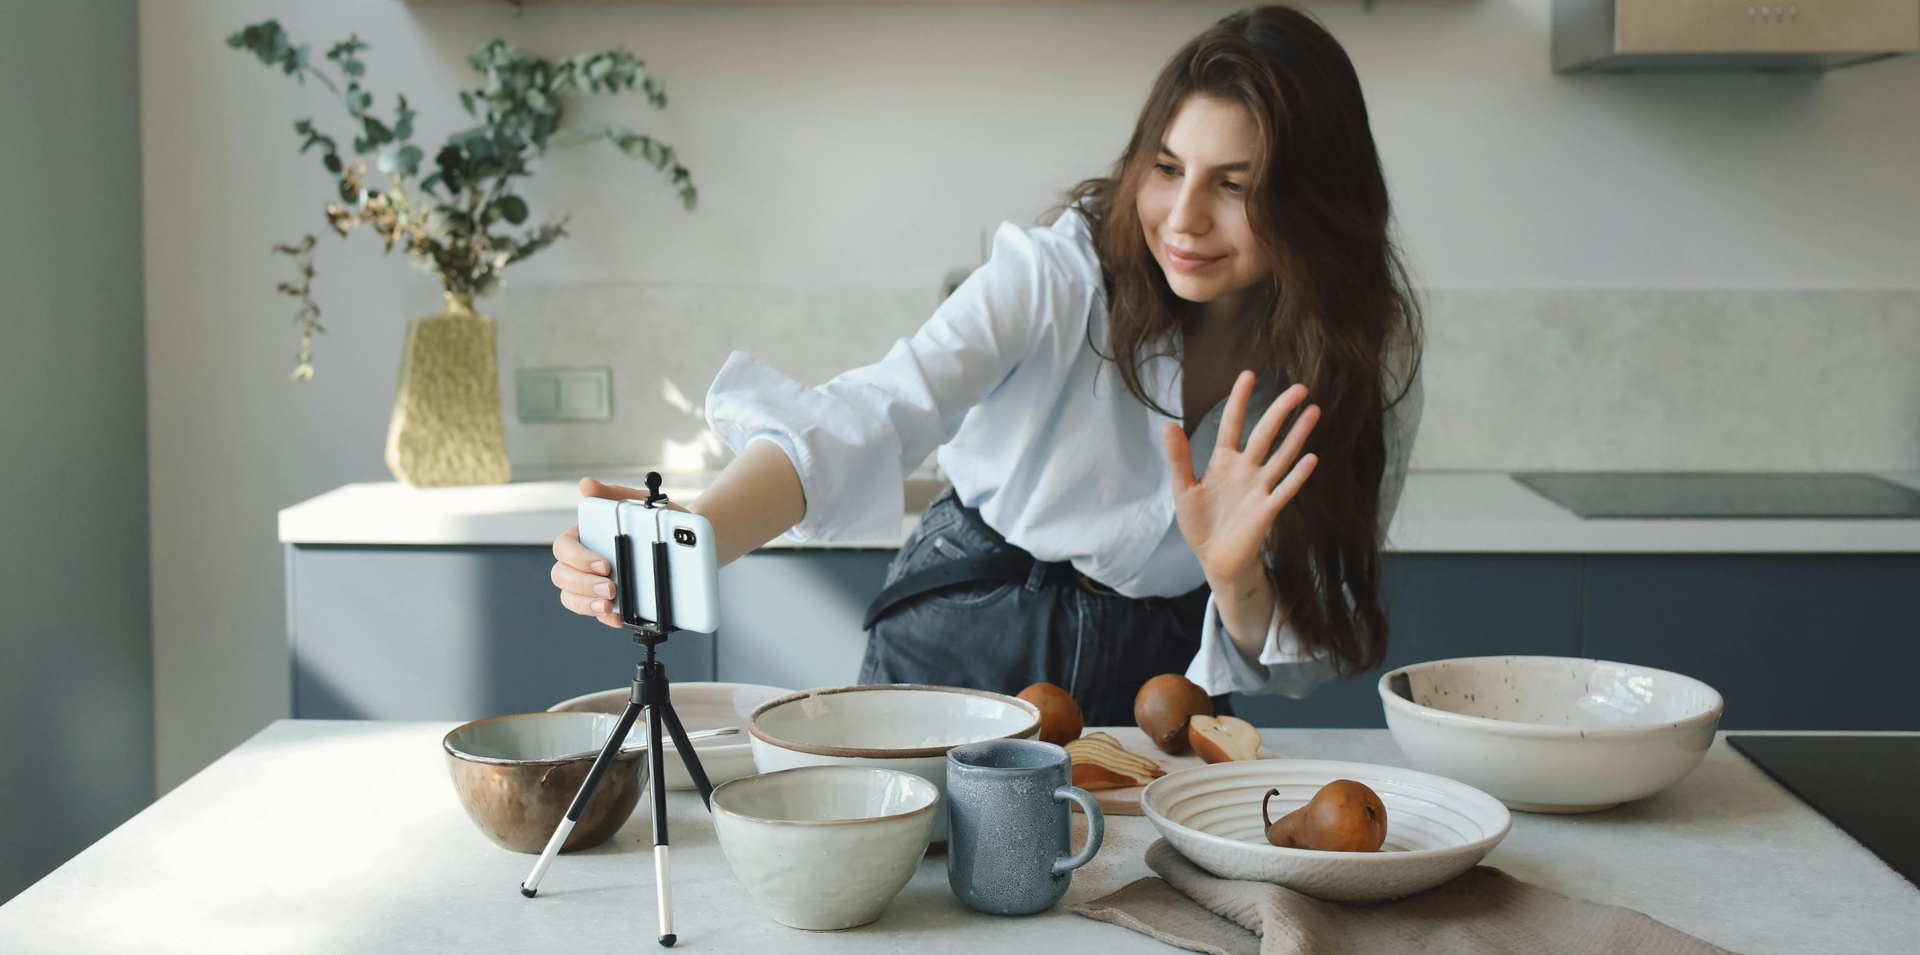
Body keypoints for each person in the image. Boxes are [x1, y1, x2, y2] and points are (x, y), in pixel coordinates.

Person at [548, 5, 1423, 727]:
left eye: (1234, 185)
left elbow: (1317, 642)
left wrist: (1235, 578)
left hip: (1165, 674)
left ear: (1316, 202)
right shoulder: (1058, 274)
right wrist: (692, 540)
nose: (1183, 218)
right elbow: (875, 412)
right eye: (1165, 168)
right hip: (967, 622)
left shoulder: (1351, 357)